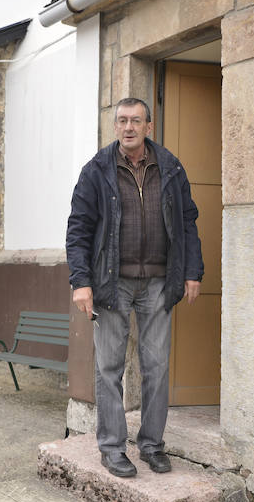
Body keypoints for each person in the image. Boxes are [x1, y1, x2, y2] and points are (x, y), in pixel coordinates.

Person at [66, 97, 203, 478]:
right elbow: (78, 228)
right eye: (122, 121)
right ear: (115, 127)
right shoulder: (96, 170)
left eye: (136, 121)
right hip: (112, 283)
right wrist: (81, 282)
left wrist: (192, 270)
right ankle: (111, 448)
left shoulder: (171, 167)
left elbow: (188, 221)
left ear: (148, 126)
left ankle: (152, 445)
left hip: (159, 282)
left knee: (156, 367)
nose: (129, 127)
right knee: (108, 367)